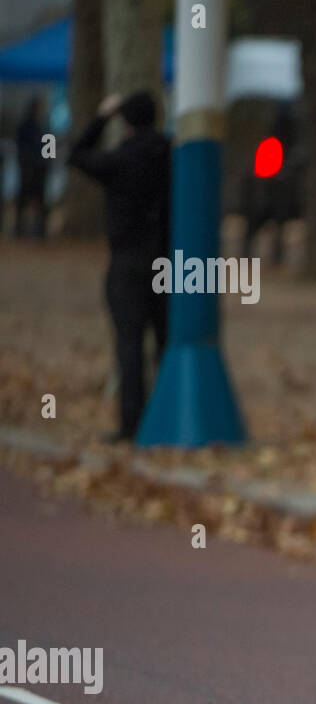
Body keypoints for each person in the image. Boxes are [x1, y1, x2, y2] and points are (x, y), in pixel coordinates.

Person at [70, 91, 171, 443]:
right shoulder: (170, 154)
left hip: (128, 260)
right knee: (165, 342)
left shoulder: (119, 160)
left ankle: (132, 424)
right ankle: (168, 416)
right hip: (167, 262)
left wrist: (101, 116)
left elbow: (77, 155)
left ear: (124, 121)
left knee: (129, 346)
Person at [15, 95, 49, 238]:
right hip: (28, 167)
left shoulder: (44, 126)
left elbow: (49, 144)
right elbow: (21, 147)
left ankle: (40, 230)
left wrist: (47, 160)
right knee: (24, 198)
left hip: (40, 168)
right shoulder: (26, 126)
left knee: (40, 199)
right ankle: (19, 228)